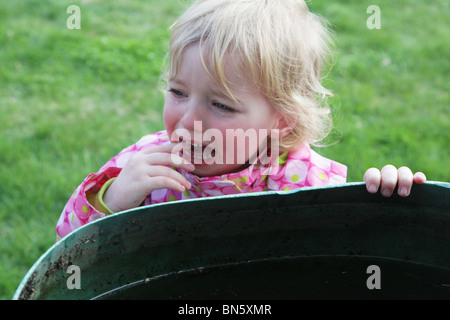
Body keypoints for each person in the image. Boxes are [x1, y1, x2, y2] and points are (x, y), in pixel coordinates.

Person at [56, 0, 426, 240]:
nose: (187, 121)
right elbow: (68, 249)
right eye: (179, 92)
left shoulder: (306, 184)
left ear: (281, 121)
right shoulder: (145, 166)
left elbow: (351, 263)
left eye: (221, 105)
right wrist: (114, 201)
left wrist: (388, 204)